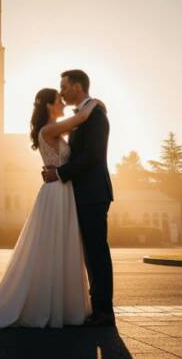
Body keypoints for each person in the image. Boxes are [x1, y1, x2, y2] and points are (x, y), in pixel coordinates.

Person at [0, 87, 100, 329]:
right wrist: (95, 103)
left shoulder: (53, 130)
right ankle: (50, 307)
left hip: (62, 189)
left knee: (59, 246)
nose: (63, 103)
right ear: (48, 106)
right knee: (53, 246)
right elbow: (82, 118)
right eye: (58, 101)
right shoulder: (49, 129)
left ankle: (60, 306)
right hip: (56, 193)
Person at [42, 69, 115, 327]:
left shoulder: (95, 115)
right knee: (90, 254)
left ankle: (104, 313)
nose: (61, 91)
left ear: (77, 86)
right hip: (81, 193)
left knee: (96, 253)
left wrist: (60, 172)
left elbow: (93, 155)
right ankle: (97, 310)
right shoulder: (84, 115)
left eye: (64, 86)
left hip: (93, 193)